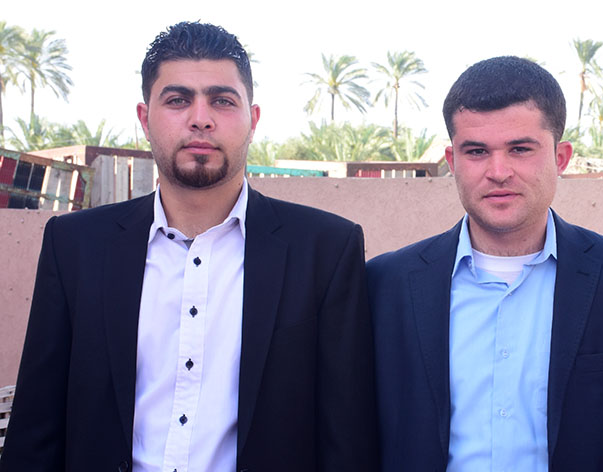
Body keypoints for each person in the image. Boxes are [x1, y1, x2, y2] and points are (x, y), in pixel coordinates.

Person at [0, 21, 378, 471]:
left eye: (222, 100)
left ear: (253, 120)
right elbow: (36, 428)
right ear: (145, 119)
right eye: (178, 100)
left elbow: (346, 438)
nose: (201, 117)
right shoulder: (75, 246)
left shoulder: (325, 250)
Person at [367, 56, 603, 471]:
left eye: (520, 149)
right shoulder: (385, 285)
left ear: (561, 157)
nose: (498, 171)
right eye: (476, 151)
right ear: (452, 162)